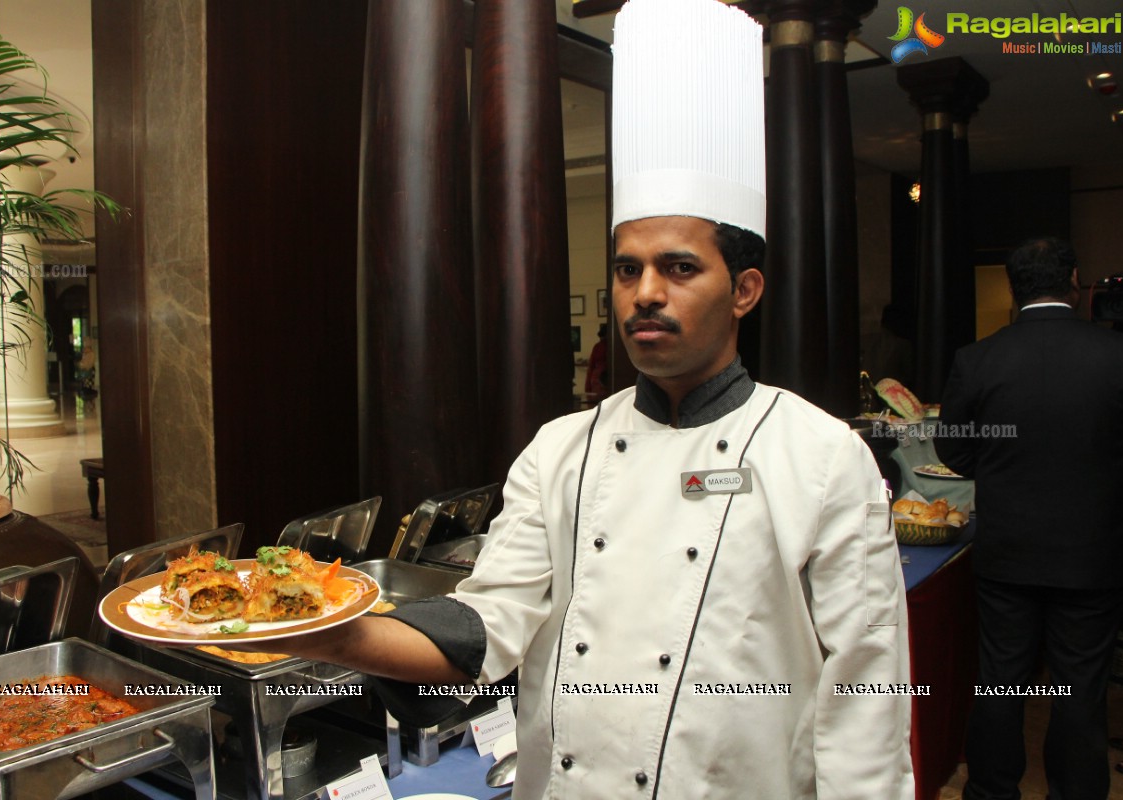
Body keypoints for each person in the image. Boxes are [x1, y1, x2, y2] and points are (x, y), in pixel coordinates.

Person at [250, 1, 914, 796]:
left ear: (744, 289)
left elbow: (867, 697)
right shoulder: (563, 448)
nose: (644, 294)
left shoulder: (819, 455)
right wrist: (326, 633)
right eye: (629, 269)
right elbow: (486, 624)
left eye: (678, 268)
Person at [936, 237, 1123, 800]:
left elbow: (954, 450)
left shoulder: (978, 358)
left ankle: (992, 791)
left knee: (999, 682)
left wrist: (1000, 468)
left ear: (1015, 290)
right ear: (1073, 280)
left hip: (1007, 551)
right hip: (1095, 555)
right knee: (1078, 688)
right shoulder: (1118, 357)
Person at [583, 322, 609, 401]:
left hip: (596, 379)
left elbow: (591, 367)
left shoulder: (598, 346)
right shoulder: (610, 347)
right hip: (600, 379)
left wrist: (587, 388)